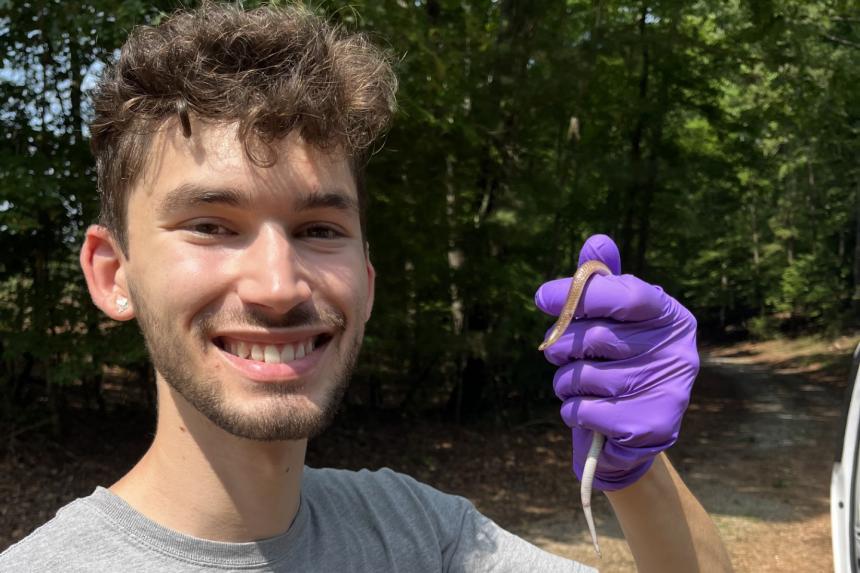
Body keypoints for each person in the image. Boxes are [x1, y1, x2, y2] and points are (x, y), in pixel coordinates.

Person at [0, 3, 732, 572]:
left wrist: (632, 461)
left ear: (368, 282)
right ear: (111, 274)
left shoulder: (422, 534)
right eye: (211, 225)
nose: (278, 286)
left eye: (319, 229)